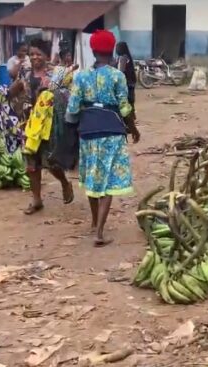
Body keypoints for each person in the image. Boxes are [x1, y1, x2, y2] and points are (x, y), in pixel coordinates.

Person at [66, 30, 141, 247]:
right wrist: (133, 129)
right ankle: (99, 232)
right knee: (107, 183)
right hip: (112, 131)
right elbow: (124, 107)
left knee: (92, 178)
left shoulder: (81, 76)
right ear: (111, 51)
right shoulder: (117, 76)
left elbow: (72, 109)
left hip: (88, 132)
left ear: (93, 51)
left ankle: (94, 222)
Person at [23, 40, 76, 215]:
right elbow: (17, 90)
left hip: (50, 125)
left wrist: (51, 92)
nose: (34, 57)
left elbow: (69, 94)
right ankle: (36, 199)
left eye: (38, 54)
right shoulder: (25, 73)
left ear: (46, 56)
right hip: (30, 124)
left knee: (51, 161)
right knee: (31, 164)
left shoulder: (56, 74)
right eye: (31, 54)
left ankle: (64, 183)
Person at [115, 42, 138, 106]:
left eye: (117, 48)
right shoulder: (127, 57)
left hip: (126, 83)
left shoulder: (123, 58)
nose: (116, 50)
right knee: (130, 103)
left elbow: (120, 71)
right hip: (130, 82)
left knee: (126, 103)